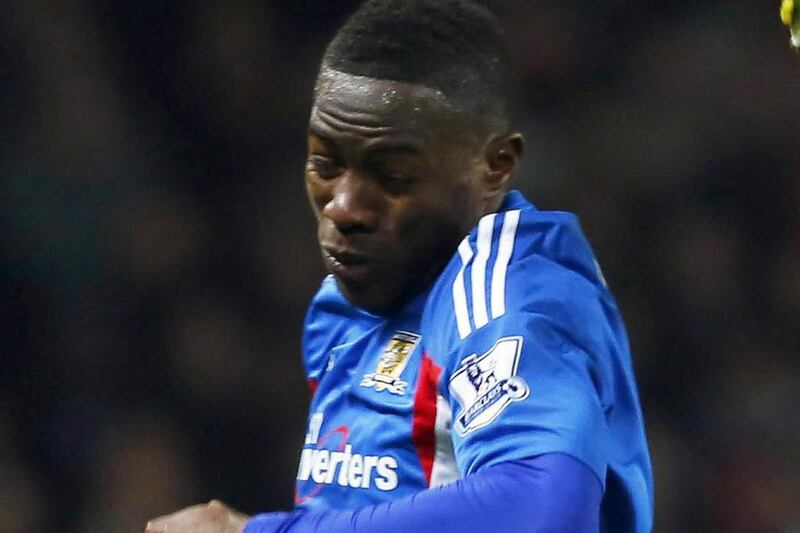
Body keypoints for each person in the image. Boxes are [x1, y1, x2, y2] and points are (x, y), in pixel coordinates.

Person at [144, 1, 653, 531]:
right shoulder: (347, 304)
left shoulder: (505, 294)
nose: (343, 207)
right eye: (325, 163)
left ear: (495, 167)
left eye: (392, 177)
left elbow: (544, 505)